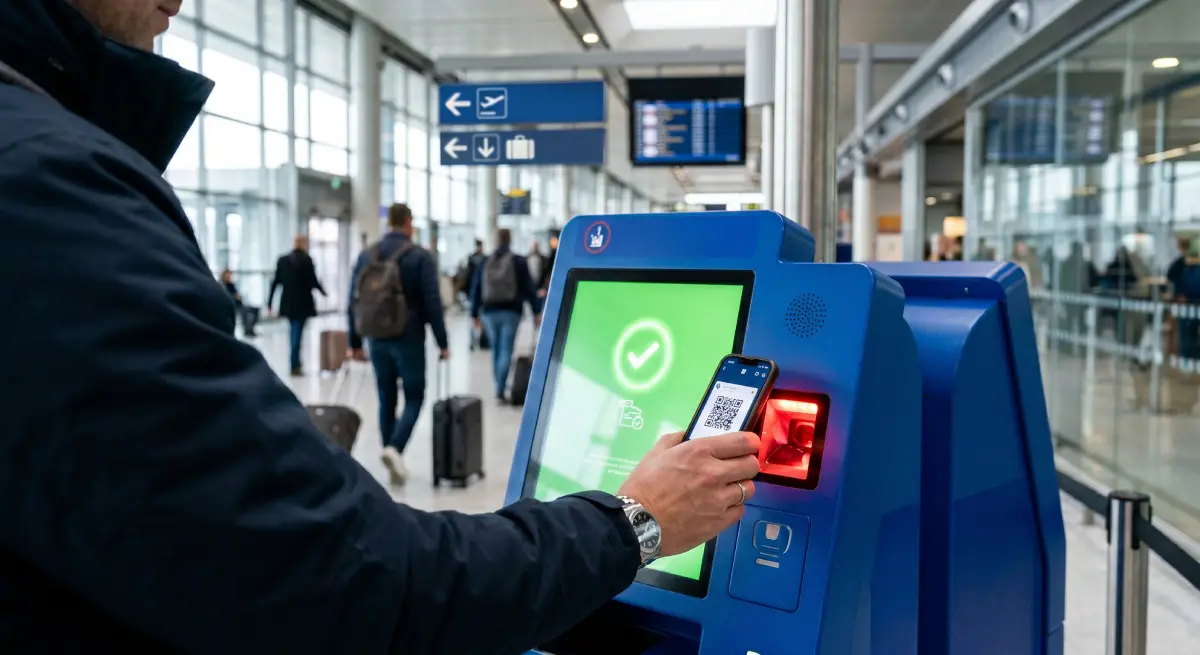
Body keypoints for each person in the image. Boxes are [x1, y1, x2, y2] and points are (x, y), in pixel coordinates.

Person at [0, 1, 764, 652]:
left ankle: (397, 442)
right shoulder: (49, 184)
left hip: (378, 333)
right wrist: (637, 520)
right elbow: (349, 581)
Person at [347, 203, 449, 486]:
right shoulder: (418, 256)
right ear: (408, 222)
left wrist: (353, 341)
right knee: (415, 395)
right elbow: (432, 302)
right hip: (409, 336)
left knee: (386, 395)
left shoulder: (367, 255)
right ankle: (395, 447)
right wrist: (442, 341)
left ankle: (389, 449)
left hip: (375, 336)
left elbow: (353, 300)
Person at [471, 228, 541, 402]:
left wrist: (474, 314)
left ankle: (499, 386)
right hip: (511, 311)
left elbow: (476, 288)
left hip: (489, 311)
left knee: (496, 350)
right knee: (506, 351)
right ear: (510, 240)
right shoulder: (518, 261)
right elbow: (528, 288)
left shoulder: (486, 261)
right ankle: (500, 389)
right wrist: (536, 310)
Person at [269, 234, 326, 376]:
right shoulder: (307, 260)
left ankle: (296, 362)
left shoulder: (283, 260)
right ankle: (294, 363)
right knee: (297, 332)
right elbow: (313, 281)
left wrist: (269, 302)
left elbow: (275, 282)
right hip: (302, 302)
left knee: (295, 330)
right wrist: (323, 292)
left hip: (287, 303)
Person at [221, 269, 260, 337]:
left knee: (255, 309)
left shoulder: (231, 285)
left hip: (240, 304)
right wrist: (234, 297)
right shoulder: (222, 286)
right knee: (244, 311)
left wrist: (238, 297)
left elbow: (237, 294)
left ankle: (250, 329)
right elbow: (226, 296)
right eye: (228, 275)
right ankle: (247, 330)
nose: (230, 276)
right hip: (233, 305)